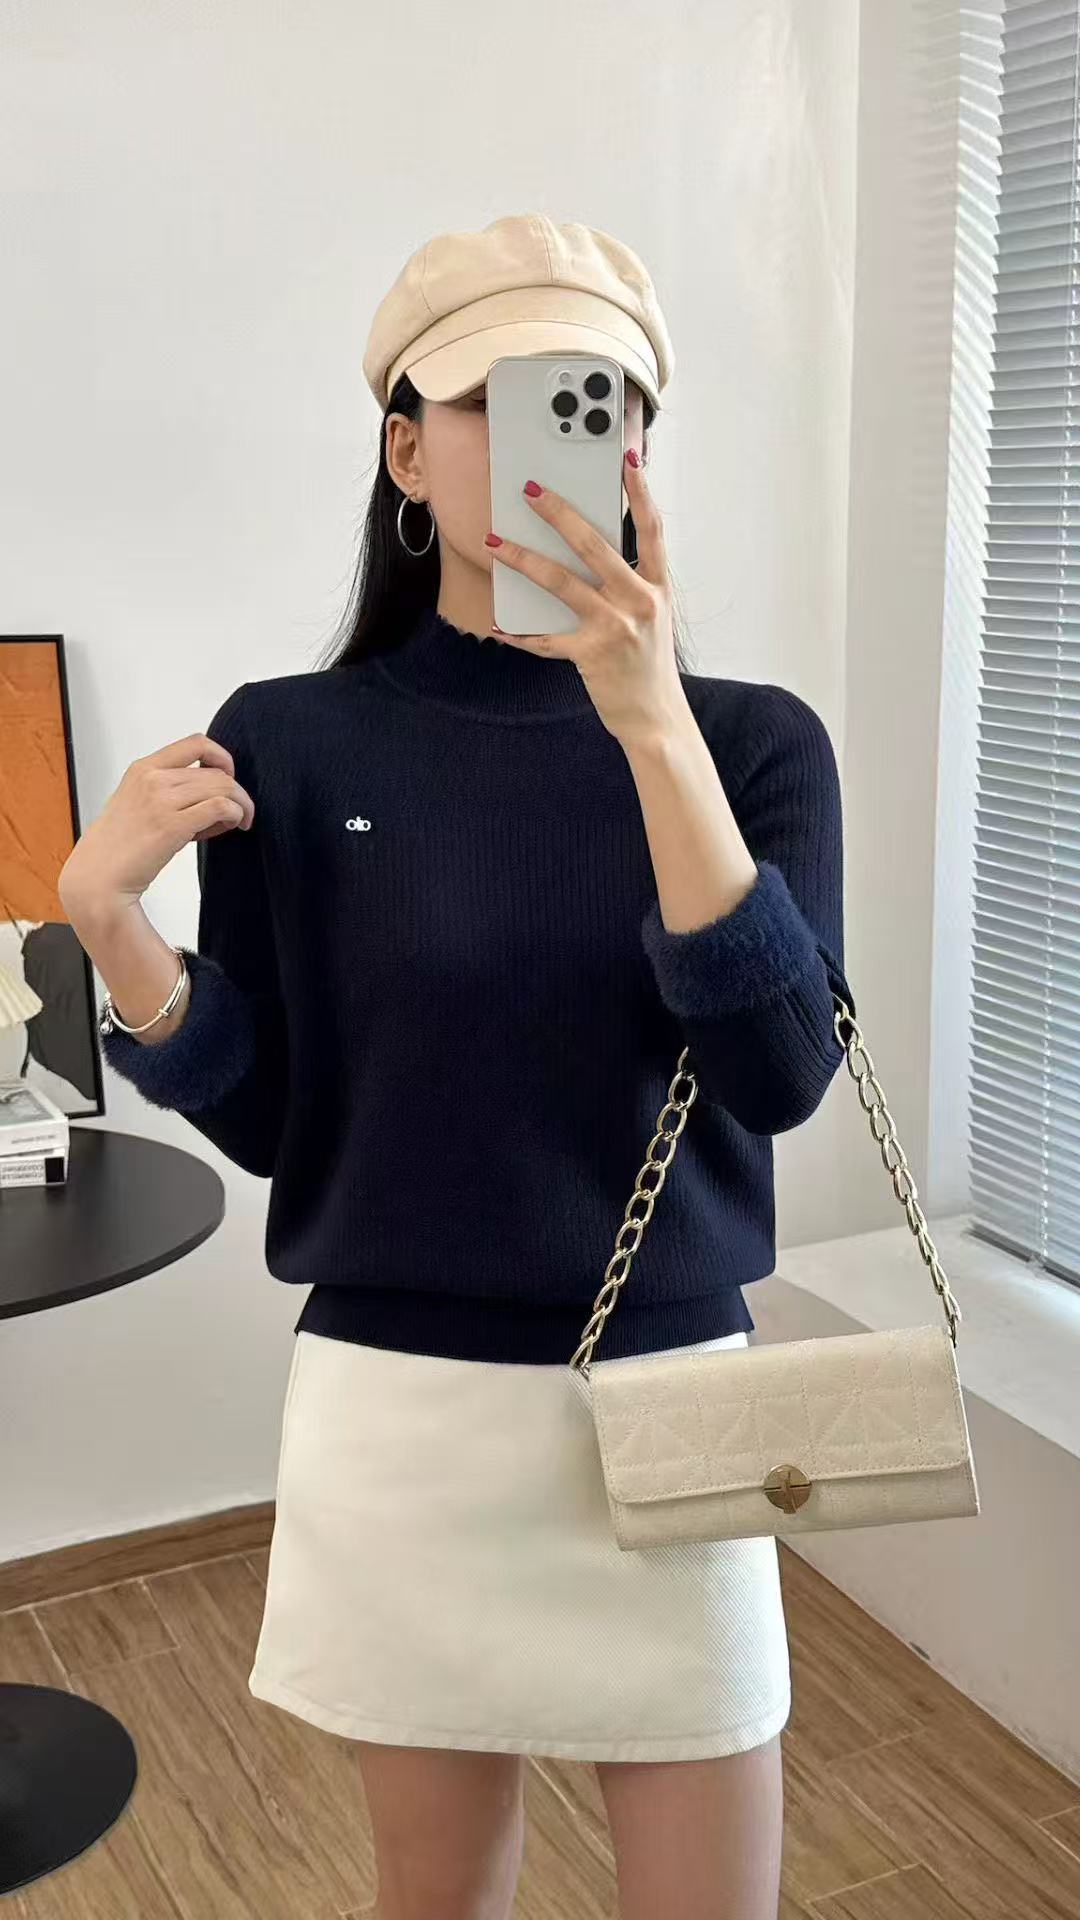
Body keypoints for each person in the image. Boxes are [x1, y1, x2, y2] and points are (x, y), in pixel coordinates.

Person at [60, 212, 853, 1920]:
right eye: (501, 396)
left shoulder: (751, 743)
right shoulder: (291, 738)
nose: (564, 430)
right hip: (401, 1415)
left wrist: (649, 723)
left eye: (601, 398)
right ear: (408, 452)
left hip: (673, 1401)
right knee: (434, 1900)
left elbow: (783, 1074)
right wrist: (112, 928)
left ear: (639, 451)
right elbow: (278, 1118)